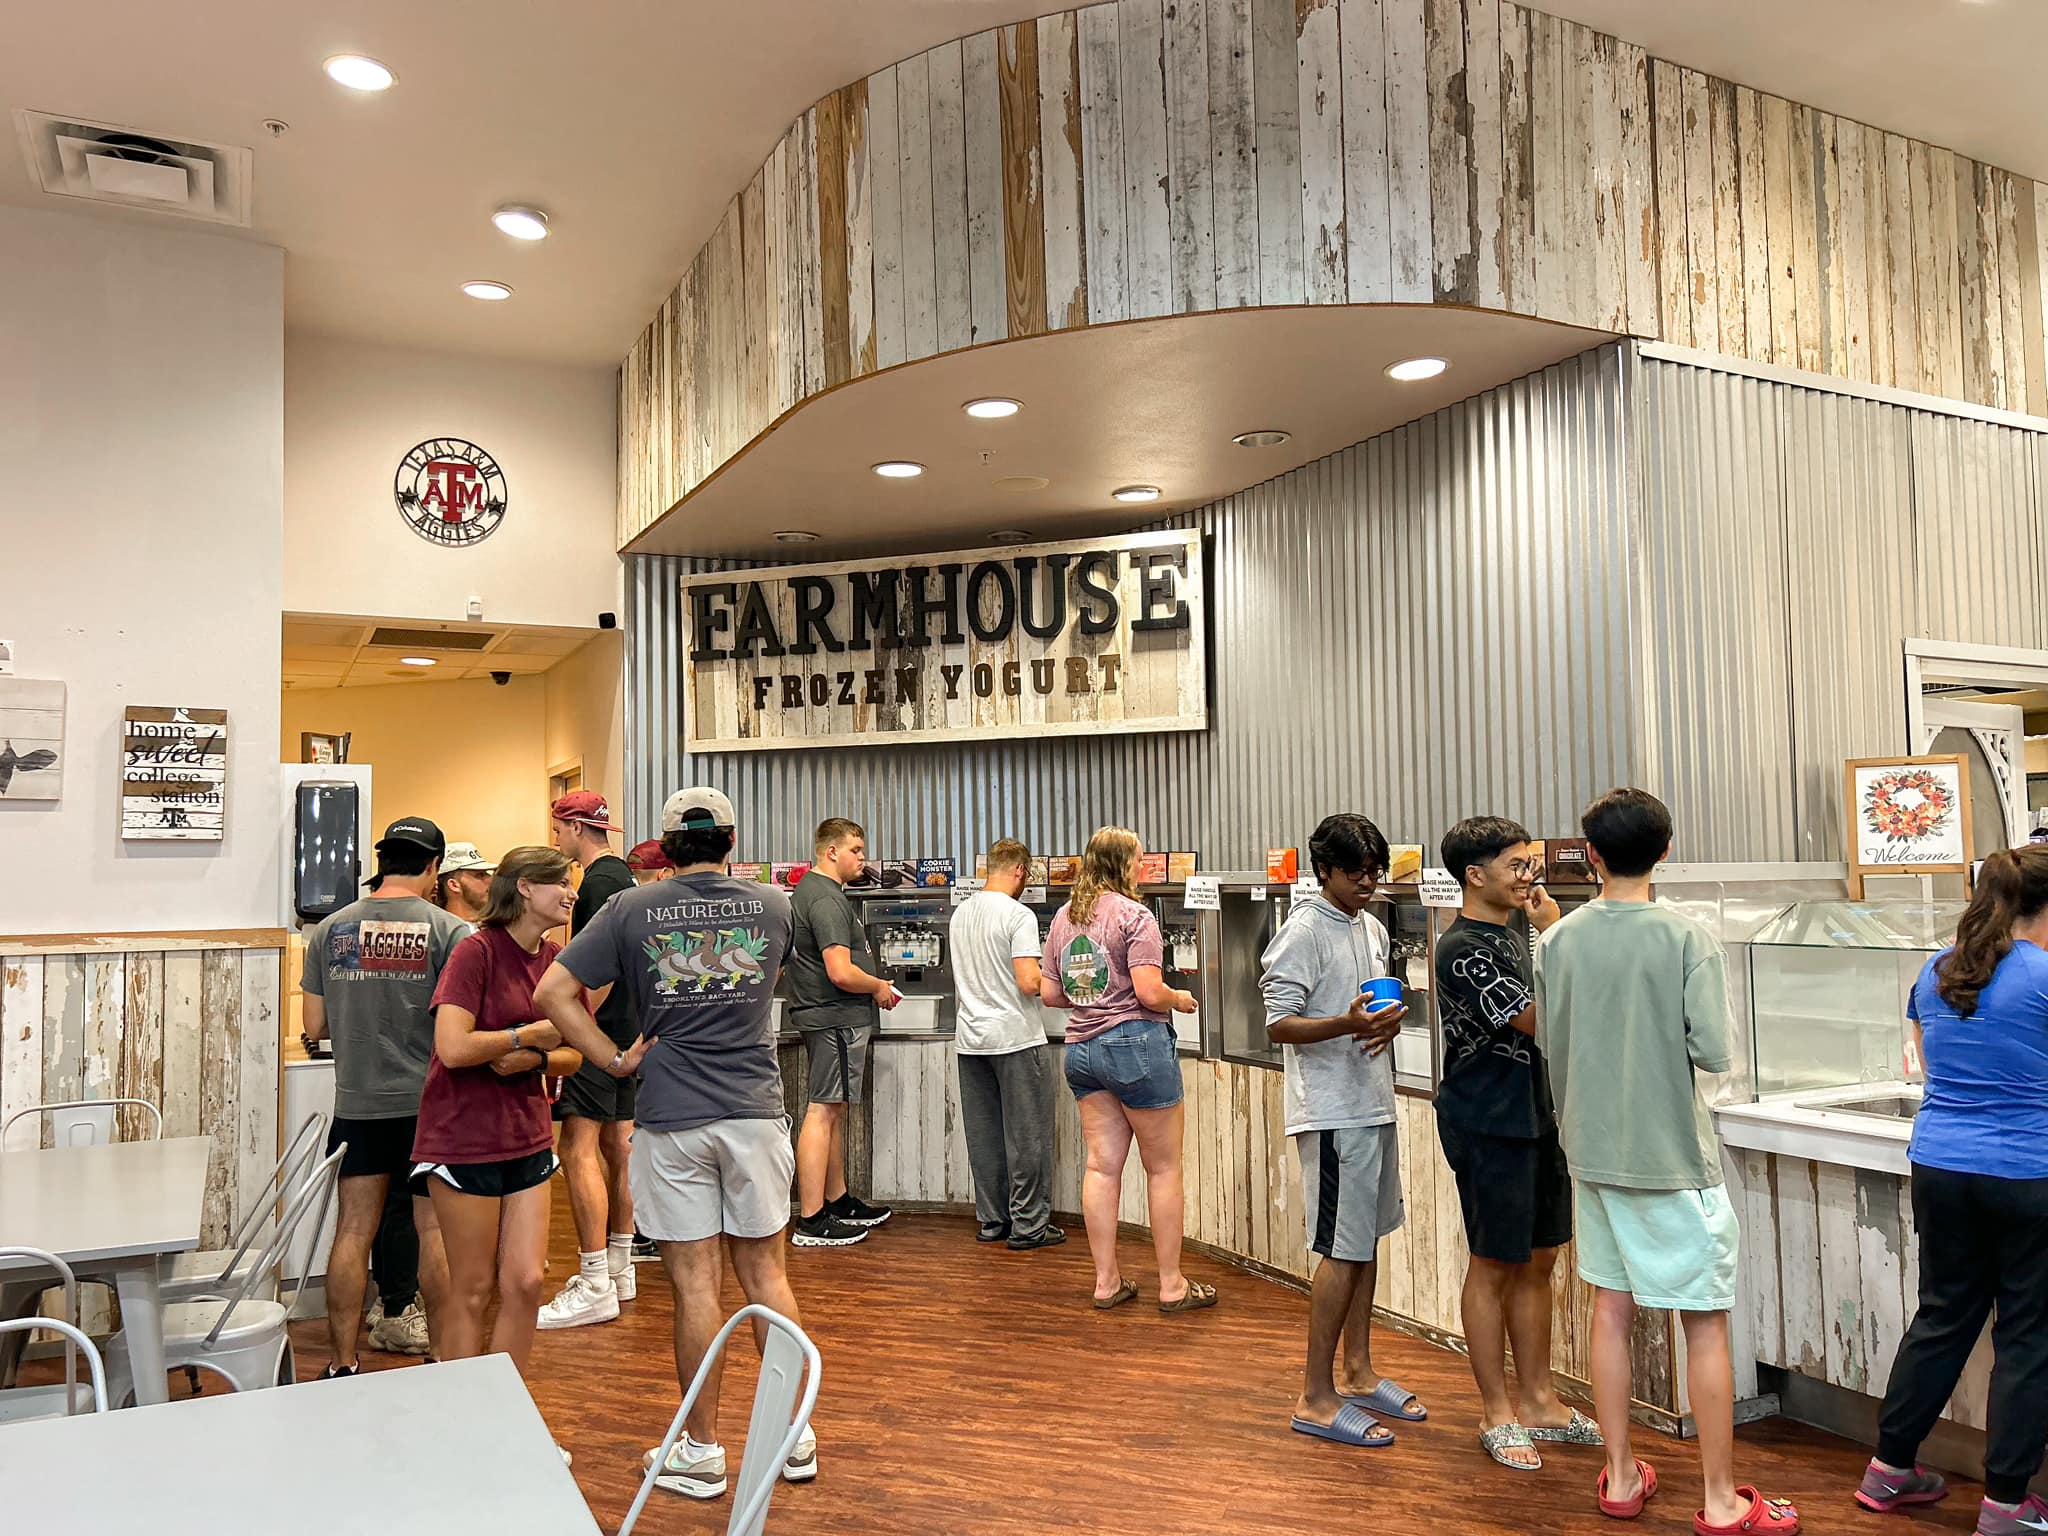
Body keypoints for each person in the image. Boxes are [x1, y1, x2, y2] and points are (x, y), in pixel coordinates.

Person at [535, 786, 821, 1500]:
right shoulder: (775, 905)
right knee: (767, 1276)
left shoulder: (629, 908)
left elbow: (553, 994)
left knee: (695, 1284)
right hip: (755, 1111)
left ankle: (702, 1448)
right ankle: (794, 1435)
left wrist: (609, 1059)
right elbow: (777, 973)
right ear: (729, 839)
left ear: (664, 847)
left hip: (670, 1114)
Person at [1536, 788, 1799, 1534]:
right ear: (1667, 849)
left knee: (1610, 1313)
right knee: (1705, 1325)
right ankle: (1720, 1501)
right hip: (1673, 1159)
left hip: (1590, 1152)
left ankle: (1621, 1477)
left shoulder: (1557, 941)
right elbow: (1714, 1051)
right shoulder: (1688, 938)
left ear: (1590, 855)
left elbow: (1551, 1047)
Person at [1856, 846, 2048, 1535]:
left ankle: (1889, 1469)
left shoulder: (1938, 967)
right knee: (2028, 1335)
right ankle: (2005, 1504)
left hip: (1940, 1165)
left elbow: (1931, 1062)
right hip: (2029, 1171)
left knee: (1943, 1316)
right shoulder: (2044, 974)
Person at [1435, 816, 1598, 1469]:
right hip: (1487, 1121)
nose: (1530, 876)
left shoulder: (1513, 934)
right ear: (1476, 876)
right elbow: (1540, 1019)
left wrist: (1543, 929)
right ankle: (1496, 1411)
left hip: (1539, 1116)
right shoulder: (1463, 947)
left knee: (1539, 1261)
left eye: (1531, 863)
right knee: (1493, 1264)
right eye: (1517, 866)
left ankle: (1538, 1399)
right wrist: (1557, 931)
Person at [1260, 812, 1422, 1448]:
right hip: (1329, 1114)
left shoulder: (1373, 927)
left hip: (1372, 1103)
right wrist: (1348, 1024)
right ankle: (1315, 1395)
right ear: (1322, 869)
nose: (1368, 883)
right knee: (1341, 1250)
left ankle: (1357, 1371)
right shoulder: (1302, 930)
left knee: (1367, 1242)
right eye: (1355, 873)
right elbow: (1278, 1023)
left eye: (1375, 872)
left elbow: (1370, 1006)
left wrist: (1385, 1019)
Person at [414, 845, 583, 1448]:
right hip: (462, 1141)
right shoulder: (475, 951)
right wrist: (521, 1036)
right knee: (473, 1287)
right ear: (524, 889)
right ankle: (463, 1431)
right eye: (559, 884)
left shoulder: (557, 960)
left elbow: (574, 1050)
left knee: (527, 1284)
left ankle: (507, 1425)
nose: (569, 893)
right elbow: (453, 1048)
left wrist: (532, 1056)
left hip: (529, 1137)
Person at [299, 815, 467, 1376]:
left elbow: (315, 1025)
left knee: (353, 1231)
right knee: (432, 1232)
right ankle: (442, 1354)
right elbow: (461, 1029)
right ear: (435, 867)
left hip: (359, 1105)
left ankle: (342, 1362)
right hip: (431, 1110)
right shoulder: (450, 933)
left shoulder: (330, 930)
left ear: (382, 861)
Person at [1042, 826, 1208, 1311]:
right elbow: (1149, 992)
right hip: (1136, 1045)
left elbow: (1051, 994)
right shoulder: (1136, 916)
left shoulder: (1064, 918)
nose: (1142, 867)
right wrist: (1180, 997)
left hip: (1082, 1050)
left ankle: (1106, 1282)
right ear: (1123, 865)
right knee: (1163, 1169)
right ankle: (1173, 1286)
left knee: (1101, 1166)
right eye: (1138, 859)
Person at [537, 791, 641, 1330]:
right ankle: (621, 1269)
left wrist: (574, 1028)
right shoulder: (624, 878)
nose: (556, 840)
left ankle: (595, 1278)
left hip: (599, 1037)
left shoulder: (596, 884)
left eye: (558, 829)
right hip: (628, 1032)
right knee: (618, 1148)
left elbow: (595, 973)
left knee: (576, 1148)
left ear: (576, 827)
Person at [786, 817, 897, 1246]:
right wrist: (879, 987)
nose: (862, 860)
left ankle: (837, 1200)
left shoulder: (820, 893)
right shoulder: (826, 900)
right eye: (857, 851)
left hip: (834, 1018)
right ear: (831, 851)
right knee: (822, 1110)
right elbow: (840, 971)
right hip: (833, 1016)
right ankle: (812, 1220)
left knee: (833, 1109)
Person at [953, 839, 1062, 1250]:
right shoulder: (1018, 915)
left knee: (985, 1138)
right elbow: (1028, 982)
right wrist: (1067, 980)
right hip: (1015, 1038)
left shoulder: (961, 913)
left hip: (971, 1041)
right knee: (1027, 1136)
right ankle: (1029, 1226)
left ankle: (992, 1220)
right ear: (1019, 871)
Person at [435, 841, 495, 923]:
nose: (490, 879)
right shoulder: (441, 932)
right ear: (454, 885)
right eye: (480, 874)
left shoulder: (496, 928)